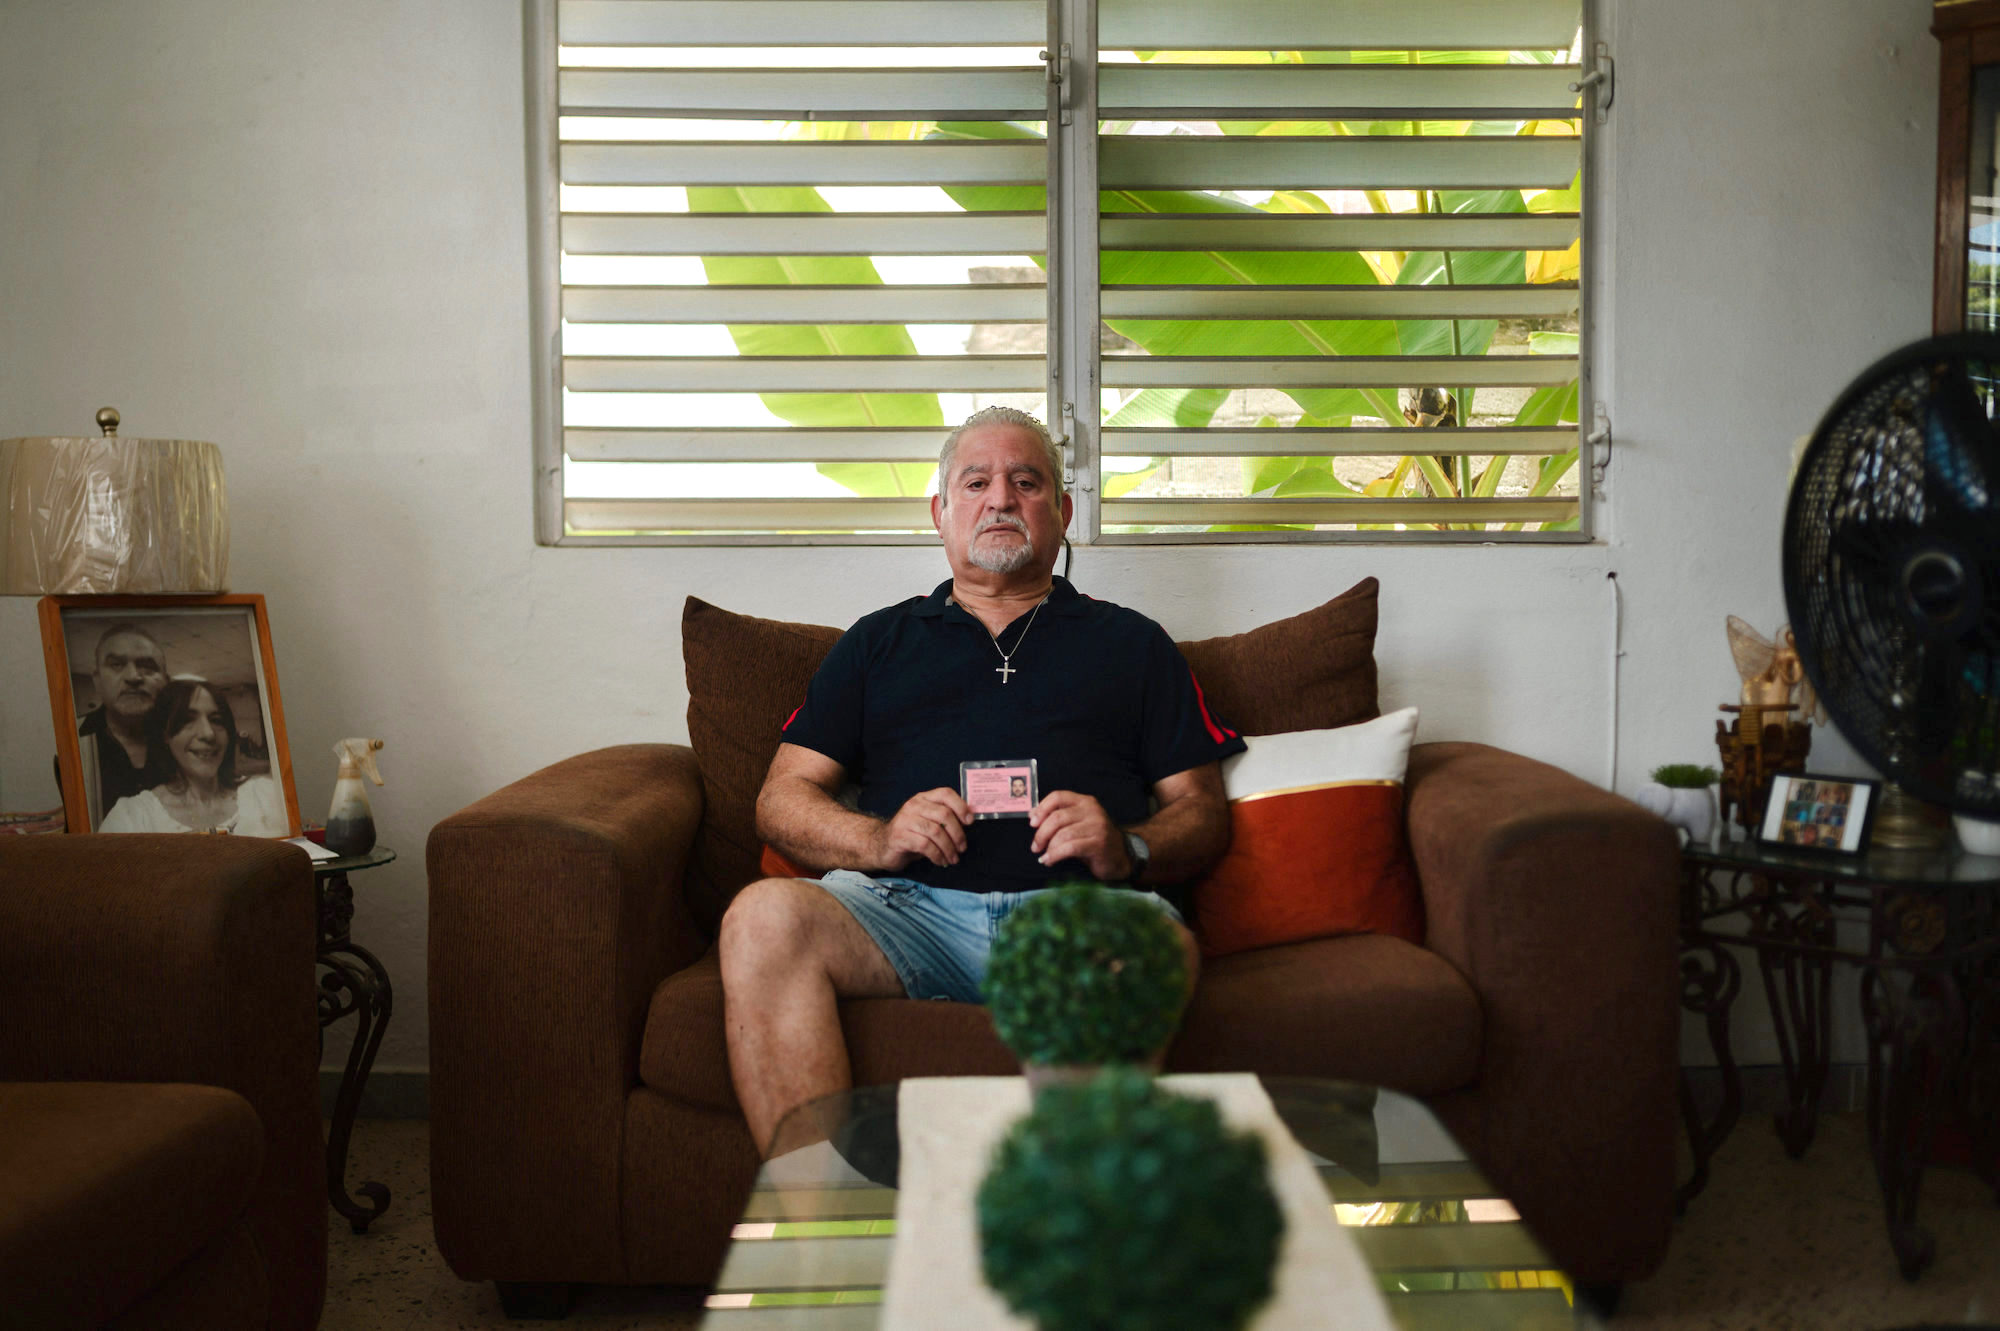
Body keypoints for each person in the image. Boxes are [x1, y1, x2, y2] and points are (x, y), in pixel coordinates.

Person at [722, 406, 1245, 1153]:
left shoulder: (1133, 643)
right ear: (941, 513)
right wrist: (878, 836)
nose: (1001, 498)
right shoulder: (878, 642)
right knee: (762, 917)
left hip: (1080, 914)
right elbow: (780, 799)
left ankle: (1065, 1236)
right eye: (977, 482)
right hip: (907, 911)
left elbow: (1202, 810)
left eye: (1026, 481)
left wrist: (1126, 844)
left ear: (1061, 513)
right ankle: (819, 1245)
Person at [98, 678, 289, 836]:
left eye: (216, 720)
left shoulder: (266, 796)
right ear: (165, 734)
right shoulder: (133, 818)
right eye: (188, 720)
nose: (208, 734)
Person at [76, 623, 169, 815]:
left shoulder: (186, 741)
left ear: (166, 681)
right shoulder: (73, 741)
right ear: (97, 680)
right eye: (116, 665)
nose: (133, 676)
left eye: (147, 666)